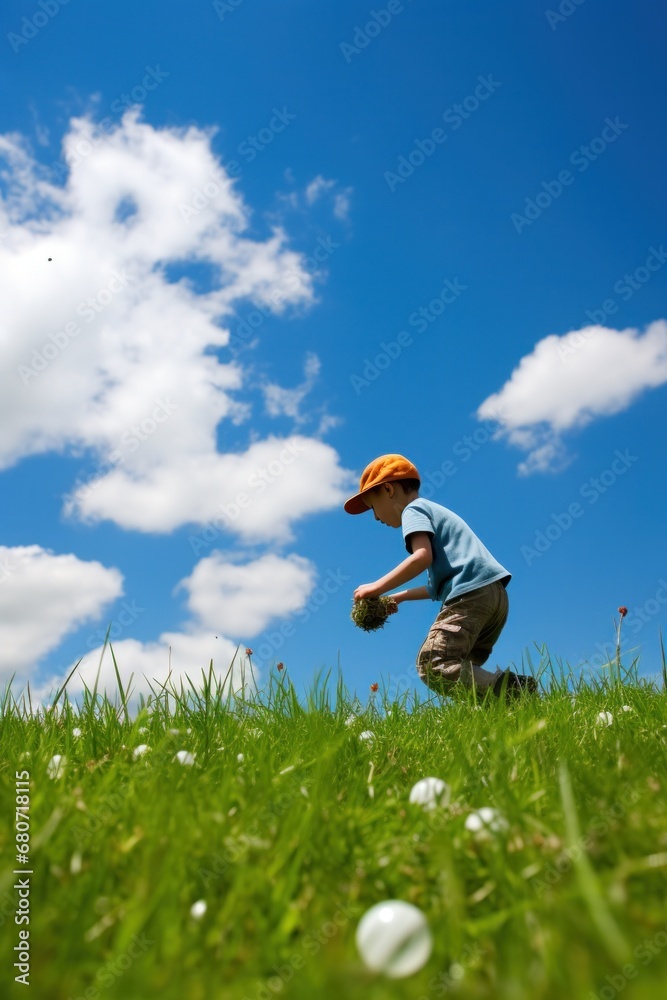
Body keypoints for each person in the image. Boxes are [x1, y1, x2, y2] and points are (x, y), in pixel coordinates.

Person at [344, 453, 537, 700]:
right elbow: (436, 587)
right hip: (493, 596)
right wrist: (398, 598)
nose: (375, 517)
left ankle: (516, 692)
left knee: (434, 664)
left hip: (471, 596)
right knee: (463, 673)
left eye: (373, 507)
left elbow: (421, 557)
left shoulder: (412, 510)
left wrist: (376, 588)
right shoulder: (433, 512)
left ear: (389, 490)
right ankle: (510, 714)